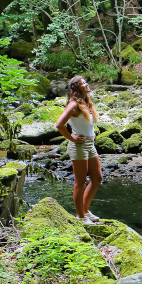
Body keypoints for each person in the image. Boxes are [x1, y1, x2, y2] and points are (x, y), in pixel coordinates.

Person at [55, 76, 102, 224]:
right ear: (76, 88)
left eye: (86, 82)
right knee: (80, 182)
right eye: (83, 83)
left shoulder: (86, 103)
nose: (87, 84)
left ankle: (85, 211)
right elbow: (59, 124)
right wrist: (72, 138)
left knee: (97, 178)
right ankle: (80, 217)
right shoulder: (73, 105)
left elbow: (86, 125)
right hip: (78, 145)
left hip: (90, 143)